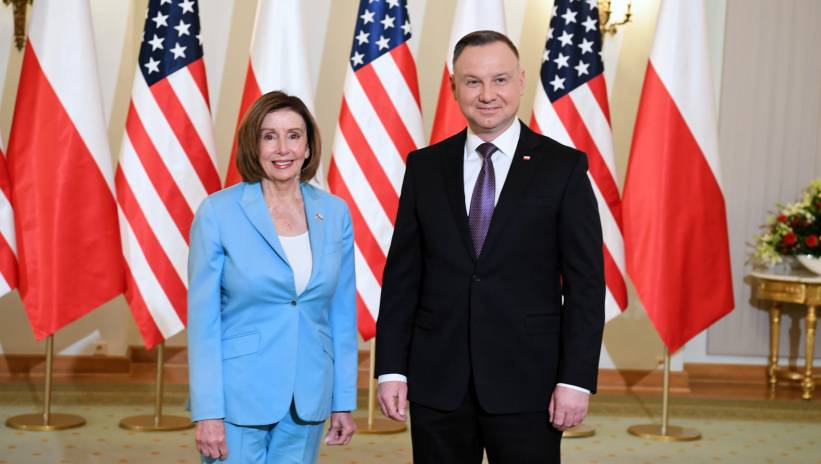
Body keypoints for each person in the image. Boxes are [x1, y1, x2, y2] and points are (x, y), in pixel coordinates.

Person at [375, 31, 605, 463]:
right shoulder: (424, 167)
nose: (486, 94)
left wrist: (575, 379)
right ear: (453, 87)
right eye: (473, 81)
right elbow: (403, 278)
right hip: (438, 381)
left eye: (499, 80)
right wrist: (390, 368)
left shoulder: (564, 168)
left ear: (520, 81)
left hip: (529, 383)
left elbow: (586, 287)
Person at [187, 91, 357, 463]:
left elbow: (341, 316)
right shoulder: (218, 212)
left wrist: (342, 400)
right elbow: (203, 323)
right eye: (269, 136)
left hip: (307, 395)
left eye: (294, 136)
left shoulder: (335, 213)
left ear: (308, 147)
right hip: (237, 397)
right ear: (254, 145)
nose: (283, 149)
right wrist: (207, 410)